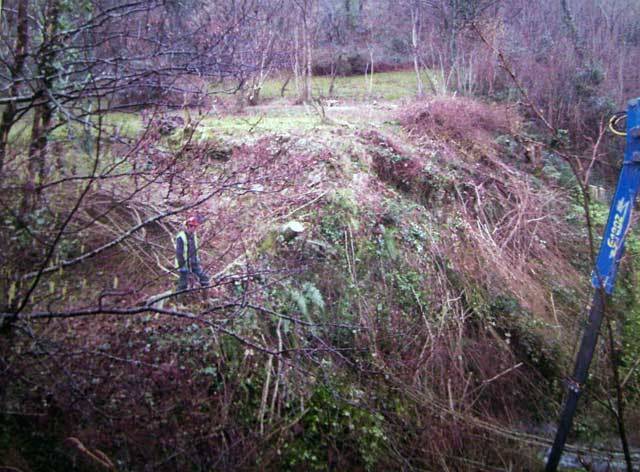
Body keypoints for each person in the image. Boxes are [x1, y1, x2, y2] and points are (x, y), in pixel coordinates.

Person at [175, 216, 210, 291]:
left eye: (194, 226)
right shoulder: (181, 237)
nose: (193, 228)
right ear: (187, 226)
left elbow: (195, 249)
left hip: (193, 262)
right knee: (183, 284)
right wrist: (182, 265)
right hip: (183, 263)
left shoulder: (193, 235)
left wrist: (196, 260)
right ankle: (178, 297)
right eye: (191, 226)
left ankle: (206, 292)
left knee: (204, 277)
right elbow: (179, 253)